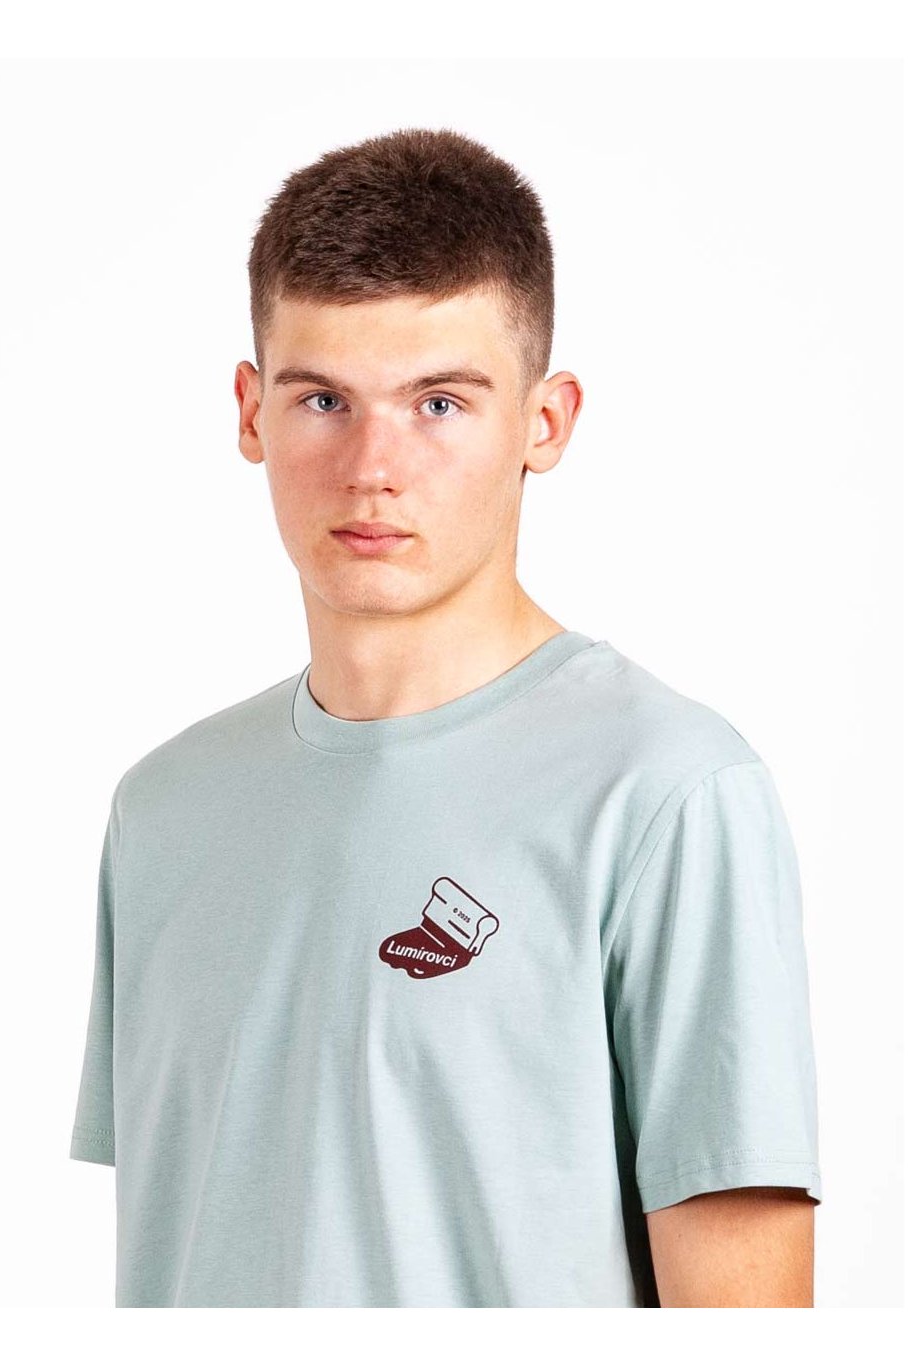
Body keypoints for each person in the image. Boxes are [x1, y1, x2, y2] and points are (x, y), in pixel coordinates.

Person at [68, 127, 822, 1308]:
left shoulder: (667, 795)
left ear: (545, 422)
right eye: (323, 399)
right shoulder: (162, 810)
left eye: (438, 403)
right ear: (251, 412)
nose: (373, 466)